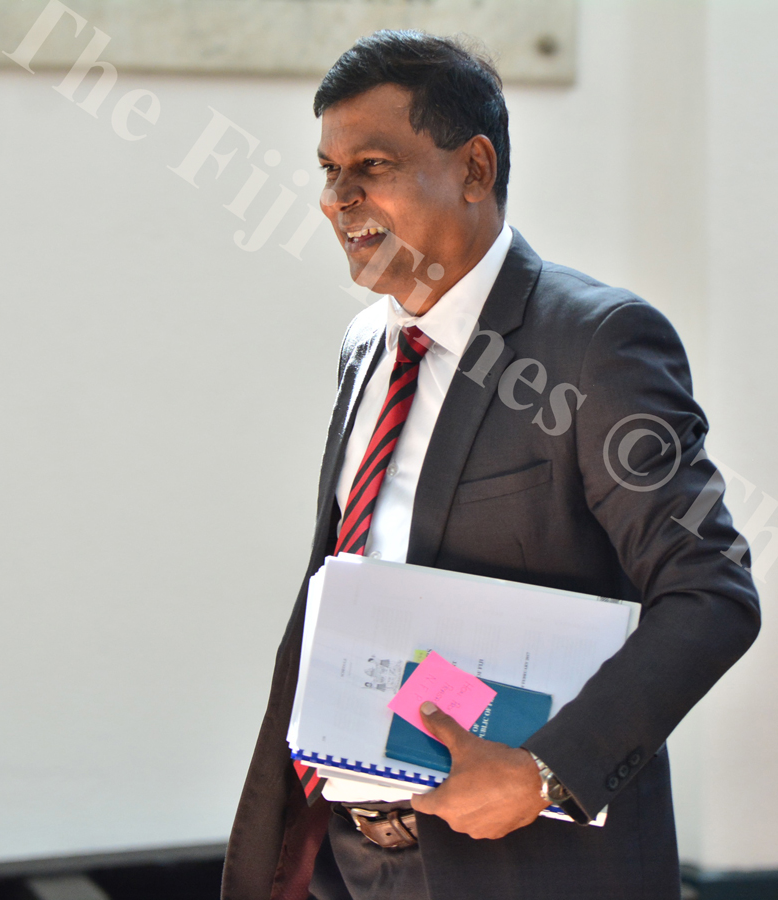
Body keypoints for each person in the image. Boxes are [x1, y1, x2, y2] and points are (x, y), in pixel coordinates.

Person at [221, 30, 760, 900]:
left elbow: (710, 593)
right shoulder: (368, 344)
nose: (337, 199)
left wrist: (547, 770)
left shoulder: (594, 344)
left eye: (372, 165)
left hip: (519, 867)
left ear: (474, 168)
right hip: (349, 857)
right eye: (326, 170)